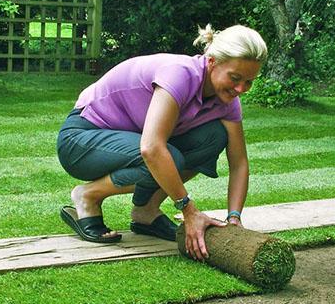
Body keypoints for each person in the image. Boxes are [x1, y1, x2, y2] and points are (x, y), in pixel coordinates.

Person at [56, 24, 267, 262]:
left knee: (214, 136)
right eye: (235, 78)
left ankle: (146, 212)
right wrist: (189, 210)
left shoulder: (227, 101)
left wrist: (234, 218)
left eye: (249, 82)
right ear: (212, 62)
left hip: (128, 140)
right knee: (167, 157)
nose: (241, 89)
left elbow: (239, 163)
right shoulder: (180, 75)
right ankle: (88, 196)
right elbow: (151, 148)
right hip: (81, 140)